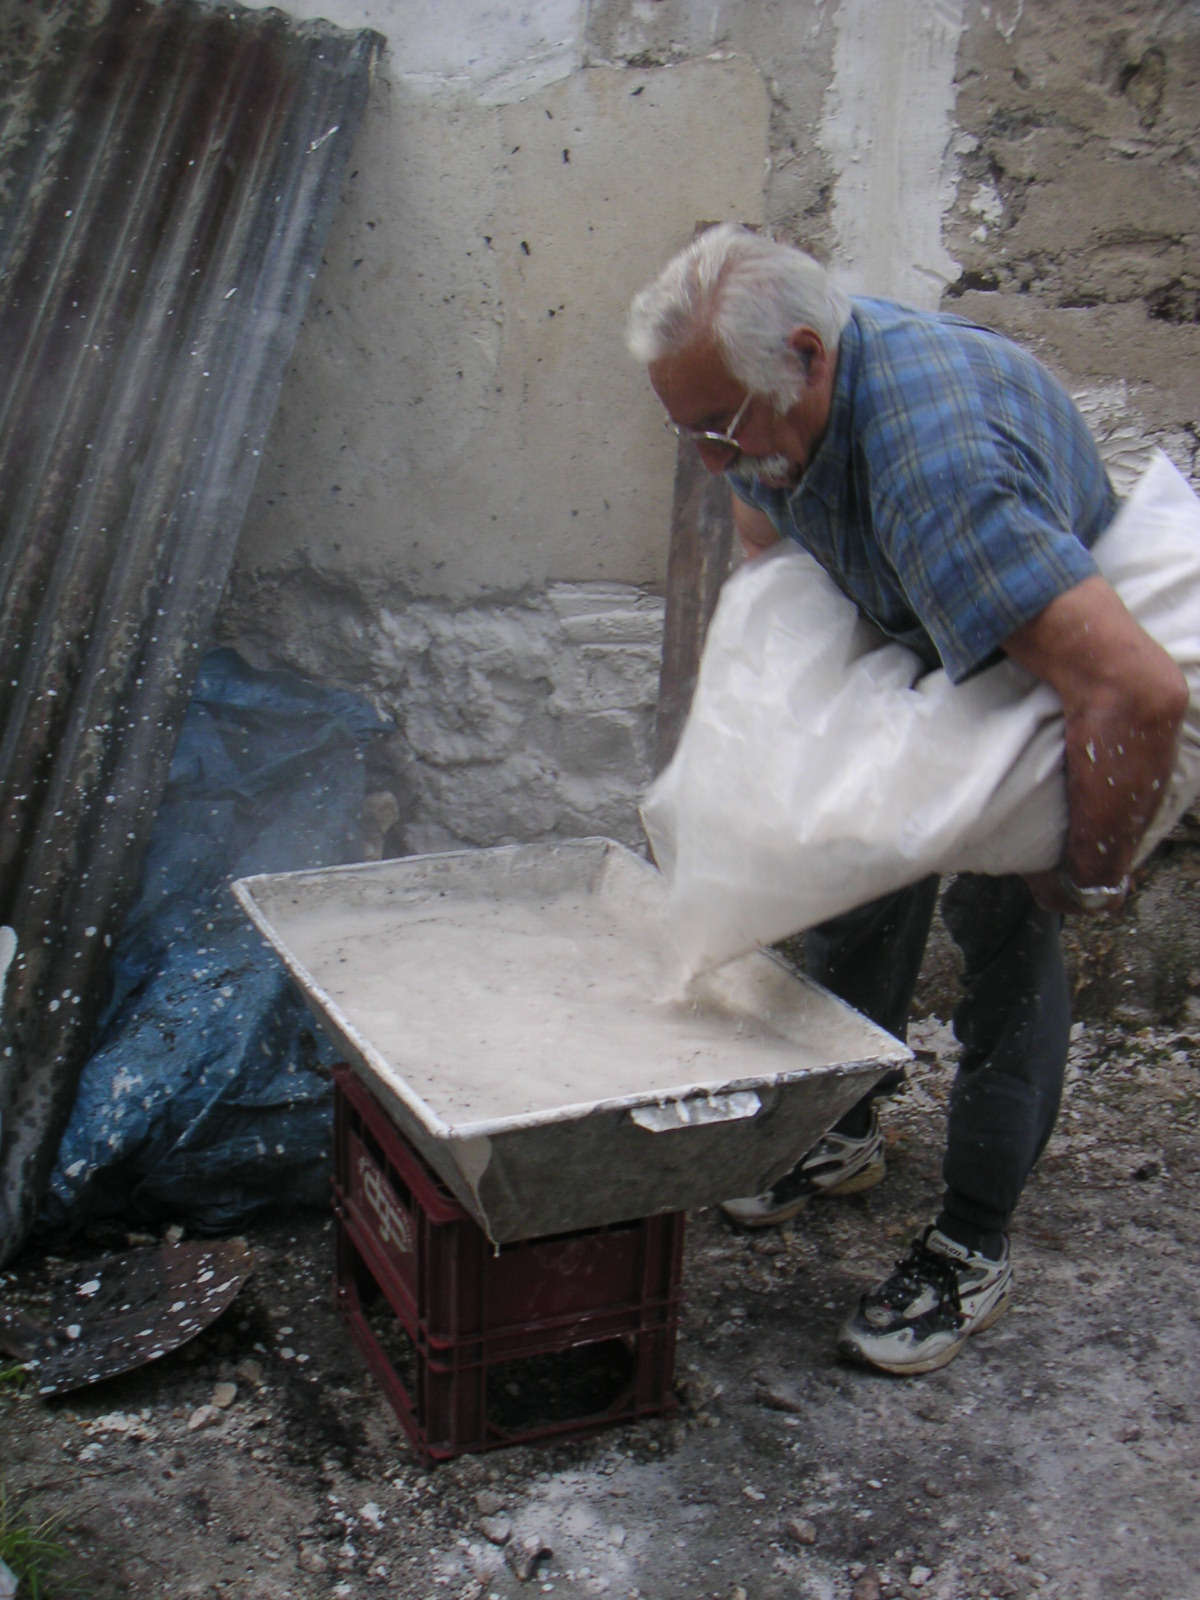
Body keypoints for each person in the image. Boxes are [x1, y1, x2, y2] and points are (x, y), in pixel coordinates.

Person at [626, 225, 1188, 1375]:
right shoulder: (778, 407)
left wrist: (1091, 872)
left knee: (1006, 938)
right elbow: (761, 522)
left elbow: (1138, 692)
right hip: (916, 623)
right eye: (689, 432)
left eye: (721, 428)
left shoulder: (944, 479)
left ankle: (972, 1242)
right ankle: (842, 1129)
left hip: (1037, 672)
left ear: (807, 357)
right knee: (851, 887)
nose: (711, 461)